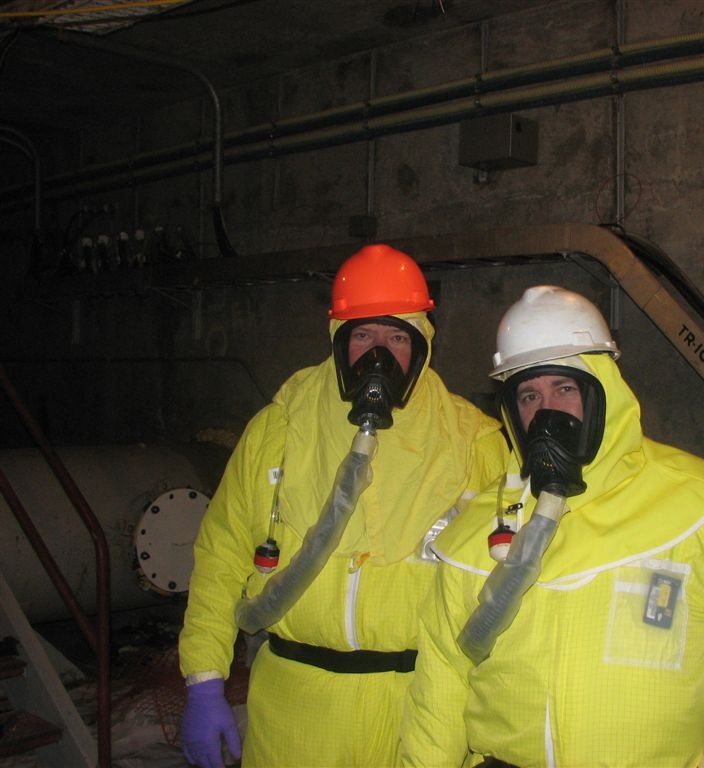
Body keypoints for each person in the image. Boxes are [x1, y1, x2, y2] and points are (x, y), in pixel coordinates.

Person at [400, 285, 704, 768]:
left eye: (565, 388)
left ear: (603, 390)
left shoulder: (692, 503)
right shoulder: (484, 527)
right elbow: (442, 681)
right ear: (512, 411)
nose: (547, 411)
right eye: (529, 394)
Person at [177, 244, 509, 768]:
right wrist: (203, 679)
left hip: (418, 709)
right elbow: (221, 556)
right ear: (338, 342)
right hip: (292, 708)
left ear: (423, 344)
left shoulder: (473, 441)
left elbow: (506, 585)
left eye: (398, 336)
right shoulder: (281, 429)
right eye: (363, 335)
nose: (380, 353)